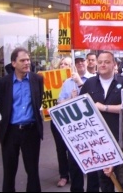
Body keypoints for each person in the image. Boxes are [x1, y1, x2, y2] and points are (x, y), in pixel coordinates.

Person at [71, 51, 123, 192]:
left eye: (107, 62)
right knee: (102, 180)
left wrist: (104, 108)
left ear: (114, 64)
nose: (103, 64)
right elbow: (81, 108)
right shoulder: (90, 83)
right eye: (100, 61)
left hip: (120, 138)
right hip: (97, 140)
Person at [0, 47, 44, 192]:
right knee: (9, 172)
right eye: (22, 60)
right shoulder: (3, 83)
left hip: (31, 131)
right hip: (10, 132)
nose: (27, 63)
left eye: (28, 59)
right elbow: (1, 105)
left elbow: (38, 102)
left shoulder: (37, 79)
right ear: (13, 63)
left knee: (33, 171)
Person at [58, 52, 94, 192]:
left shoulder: (93, 80)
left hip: (90, 127)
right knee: (74, 161)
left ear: (86, 62)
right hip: (74, 128)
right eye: (77, 61)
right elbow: (60, 102)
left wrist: (80, 83)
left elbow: (93, 100)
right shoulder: (67, 82)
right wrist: (70, 100)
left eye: (82, 61)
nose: (80, 64)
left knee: (92, 161)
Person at [51, 56, 72, 187]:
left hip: (72, 120)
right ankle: (64, 175)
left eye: (67, 64)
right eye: (62, 64)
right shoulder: (50, 79)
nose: (63, 66)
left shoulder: (74, 80)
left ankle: (75, 171)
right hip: (57, 119)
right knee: (60, 148)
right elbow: (58, 102)